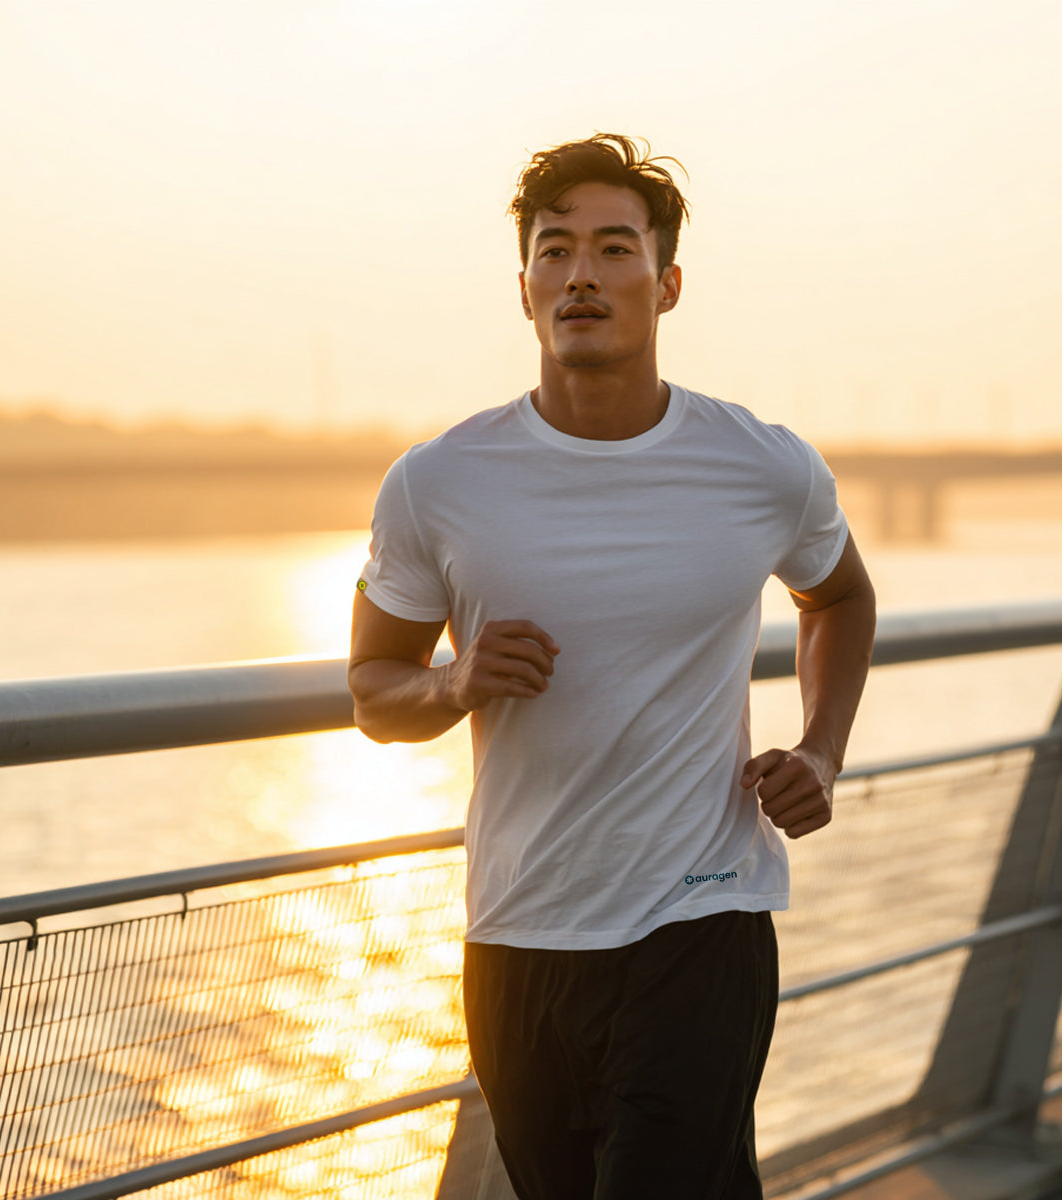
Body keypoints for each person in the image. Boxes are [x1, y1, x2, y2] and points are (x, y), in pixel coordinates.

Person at [349, 133, 877, 1200]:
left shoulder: (761, 465)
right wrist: (453, 683)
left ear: (666, 282)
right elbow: (374, 690)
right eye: (555, 251)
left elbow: (841, 598)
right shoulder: (437, 484)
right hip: (520, 934)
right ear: (525, 286)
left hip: (703, 918)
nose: (581, 274)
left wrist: (820, 752)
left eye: (613, 248)